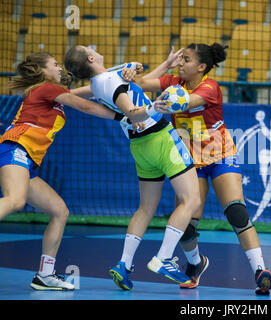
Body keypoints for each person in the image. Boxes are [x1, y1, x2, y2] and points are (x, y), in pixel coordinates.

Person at [132, 43, 271, 295]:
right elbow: (141, 84)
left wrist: (168, 96)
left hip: (220, 154)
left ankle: (260, 270)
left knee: (237, 212)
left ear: (201, 67)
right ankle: (196, 264)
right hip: (188, 161)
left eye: (186, 59)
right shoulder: (173, 81)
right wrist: (160, 67)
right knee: (186, 223)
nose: (181, 63)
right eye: (180, 59)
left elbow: (187, 101)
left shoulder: (210, 87)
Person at [63, 45, 201, 289]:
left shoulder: (99, 81)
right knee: (191, 200)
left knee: (146, 208)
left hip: (140, 147)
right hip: (161, 138)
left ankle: (124, 264)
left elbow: (132, 87)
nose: (93, 47)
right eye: (88, 48)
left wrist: (165, 65)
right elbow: (133, 112)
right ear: (91, 57)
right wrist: (154, 108)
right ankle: (164, 257)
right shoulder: (111, 82)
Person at [0, 52, 130, 290]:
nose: (60, 69)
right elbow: (84, 105)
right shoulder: (46, 88)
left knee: (59, 211)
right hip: (15, 148)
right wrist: (123, 115)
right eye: (55, 65)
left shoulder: (54, 94)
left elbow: (90, 90)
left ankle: (45, 275)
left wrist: (120, 75)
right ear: (42, 71)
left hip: (27, 160)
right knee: (15, 200)